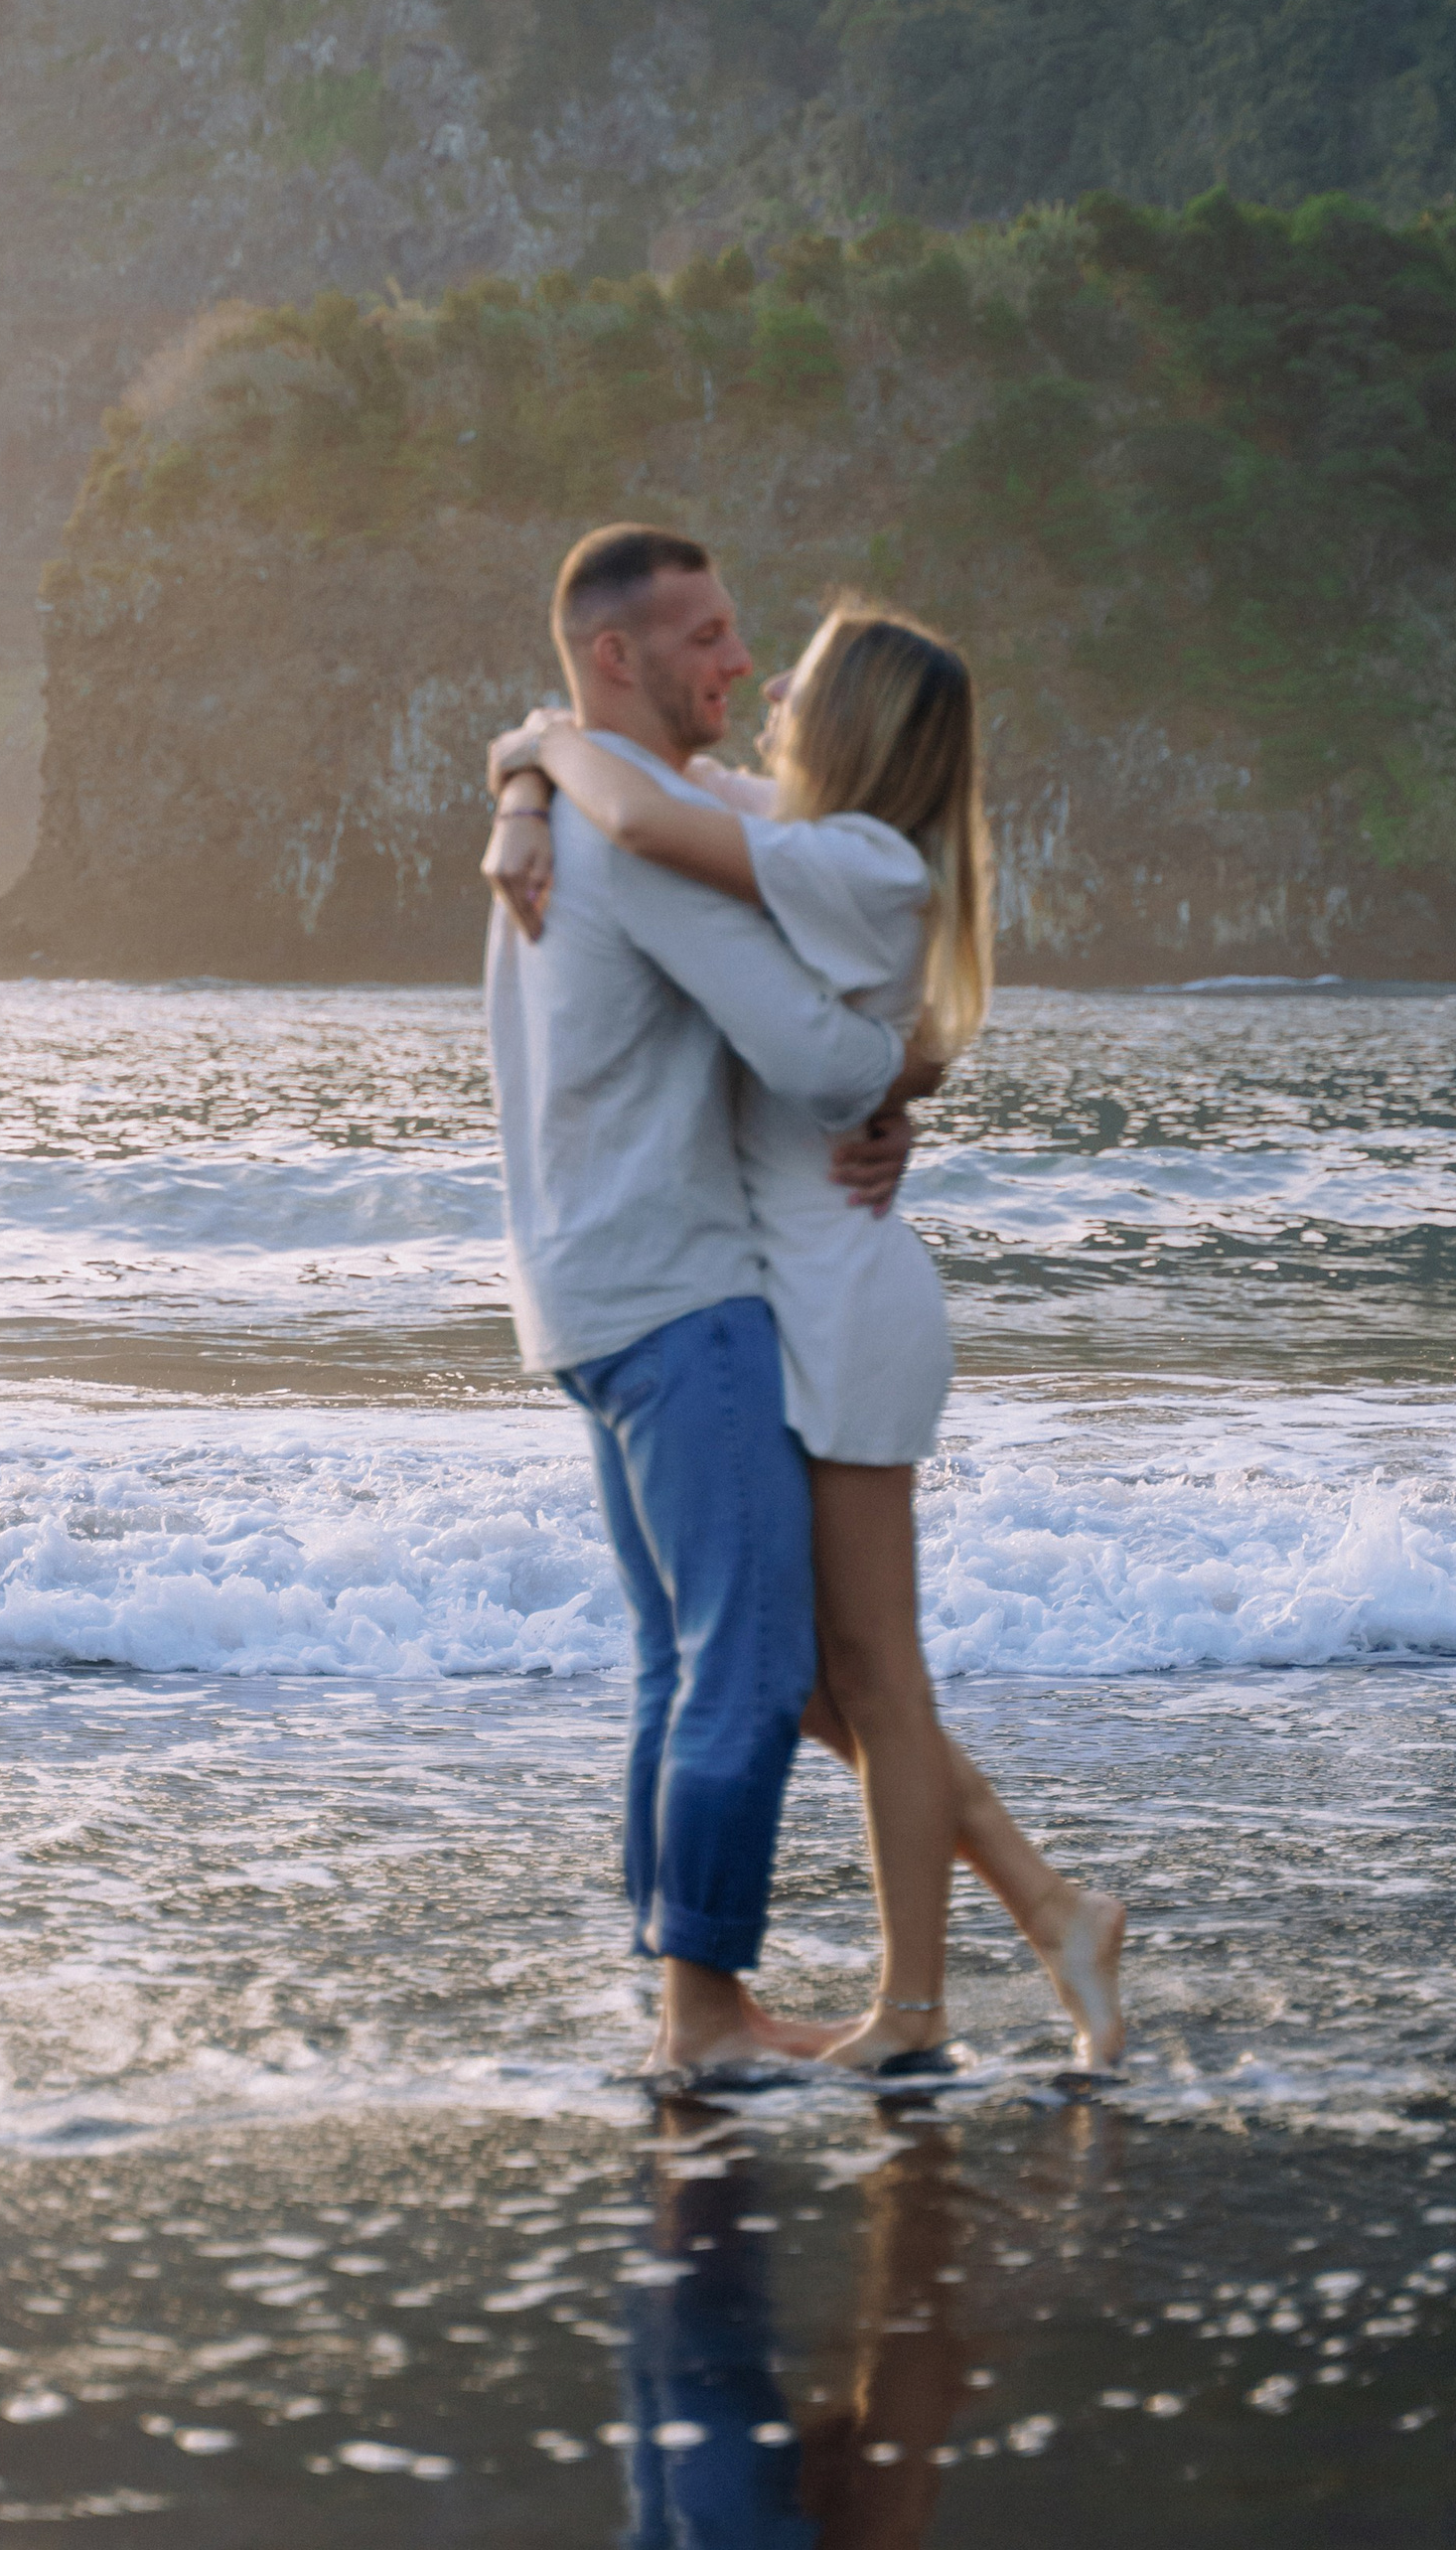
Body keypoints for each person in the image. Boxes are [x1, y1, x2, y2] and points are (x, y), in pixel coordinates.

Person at [488, 597, 1126, 2075]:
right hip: (806, 1289)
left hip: (841, 1303)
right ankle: (1052, 1913)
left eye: (807, 674)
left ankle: (917, 2012)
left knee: (876, 1681)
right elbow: (654, 785)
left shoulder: (853, 858)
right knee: (835, 1681)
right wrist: (526, 771)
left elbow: (639, 817)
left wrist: (545, 759)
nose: (768, 682)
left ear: (856, 720)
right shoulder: (813, 835)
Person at [482, 525, 940, 2081]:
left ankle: (682, 2000)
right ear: (616, 657)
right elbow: (814, 1061)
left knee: (676, 1664)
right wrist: (902, 1075)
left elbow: (551, 742)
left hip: (579, 1290)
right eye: (706, 637)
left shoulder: (574, 808)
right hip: (682, 1292)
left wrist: (527, 767)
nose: (739, 662)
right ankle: (705, 2016)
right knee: (746, 1667)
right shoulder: (632, 835)